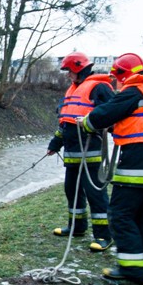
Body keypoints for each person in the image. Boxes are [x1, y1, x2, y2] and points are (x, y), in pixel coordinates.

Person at [79, 53, 143, 285]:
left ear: (123, 74)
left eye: (117, 78)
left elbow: (101, 116)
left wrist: (85, 123)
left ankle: (132, 269)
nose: (117, 84)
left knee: (120, 215)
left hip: (138, 165)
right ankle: (142, 267)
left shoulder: (136, 91)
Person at [47, 52, 115, 251]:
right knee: (72, 191)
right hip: (72, 155)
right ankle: (77, 227)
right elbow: (65, 124)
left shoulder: (99, 87)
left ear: (78, 68)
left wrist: (91, 124)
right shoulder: (73, 90)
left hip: (90, 153)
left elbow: (111, 114)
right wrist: (55, 144)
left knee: (95, 193)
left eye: (69, 71)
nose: (67, 75)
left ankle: (104, 235)